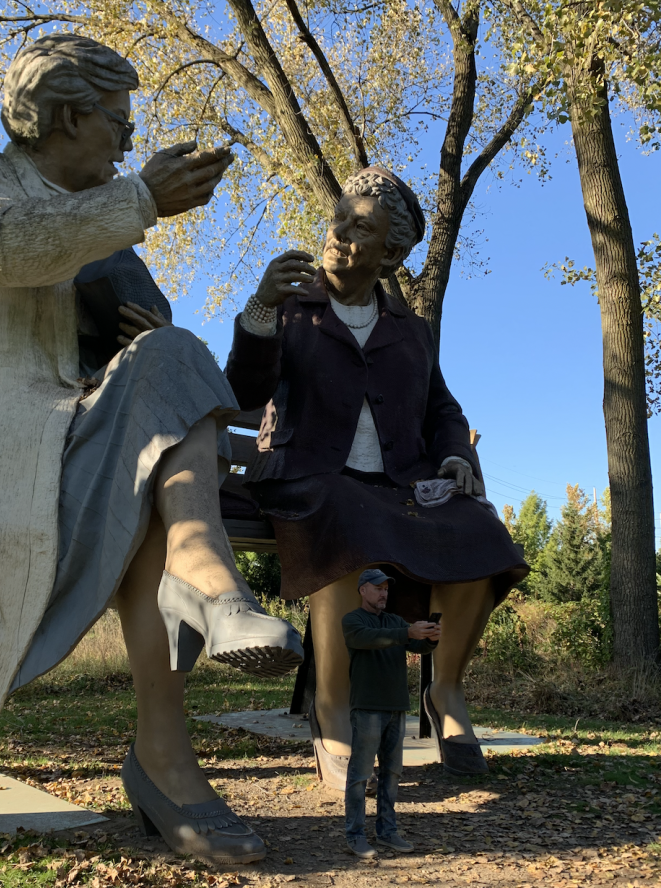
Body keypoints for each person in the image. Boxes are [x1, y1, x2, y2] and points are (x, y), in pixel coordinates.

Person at [0, 33, 303, 864]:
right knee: (154, 495)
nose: (129, 141)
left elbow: (160, 353)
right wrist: (140, 197)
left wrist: (140, 340)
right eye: (118, 120)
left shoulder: (111, 229)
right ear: (68, 114)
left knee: (172, 358)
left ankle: (198, 580)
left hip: (81, 451)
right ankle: (166, 751)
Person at [225, 166, 528, 782]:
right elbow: (243, 390)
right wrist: (259, 307)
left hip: (397, 486)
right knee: (345, 517)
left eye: (360, 227)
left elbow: (442, 407)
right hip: (311, 475)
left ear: (391, 252)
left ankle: (444, 691)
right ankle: (332, 711)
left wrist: (454, 458)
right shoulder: (292, 310)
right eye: (339, 218)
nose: (337, 235)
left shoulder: (409, 332)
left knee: (481, 531)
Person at [342, 568, 440, 858]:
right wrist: (406, 632)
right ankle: (355, 835)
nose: (384, 593)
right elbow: (369, 639)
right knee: (360, 775)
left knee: (392, 773)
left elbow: (417, 645)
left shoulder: (395, 621)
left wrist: (431, 637)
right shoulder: (353, 620)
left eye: (386, 588)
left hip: (396, 707)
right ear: (363, 590)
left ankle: (387, 831)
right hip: (367, 707)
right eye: (378, 588)